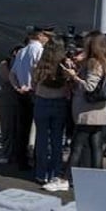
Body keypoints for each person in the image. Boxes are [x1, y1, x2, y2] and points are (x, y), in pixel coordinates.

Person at [53, 31, 106, 191]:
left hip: (88, 111)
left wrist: (74, 76)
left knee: (77, 146)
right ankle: (97, 179)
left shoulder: (94, 62)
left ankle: (65, 179)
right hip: (101, 111)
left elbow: (89, 86)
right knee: (96, 146)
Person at [10, 26, 52, 171]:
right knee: (41, 129)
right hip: (35, 92)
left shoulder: (21, 51)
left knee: (23, 128)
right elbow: (38, 71)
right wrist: (33, 86)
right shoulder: (39, 50)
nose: (48, 38)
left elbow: (12, 74)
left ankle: (21, 160)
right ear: (40, 35)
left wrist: (17, 87)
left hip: (22, 92)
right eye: (47, 35)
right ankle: (38, 160)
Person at [31, 38, 69, 186]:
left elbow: (34, 83)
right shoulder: (64, 66)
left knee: (41, 139)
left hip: (42, 101)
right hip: (59, 102)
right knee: (57, 139)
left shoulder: (40, 65)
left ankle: (41, 173)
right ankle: (55, 172)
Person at [0, 45, 23, 164]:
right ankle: (6, 153)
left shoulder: (22, 64)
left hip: (20, 99)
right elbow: (7, 78)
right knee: (7, 128)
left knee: (19, 128)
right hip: (7, 99)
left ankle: (18, 153)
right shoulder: (5, 63)